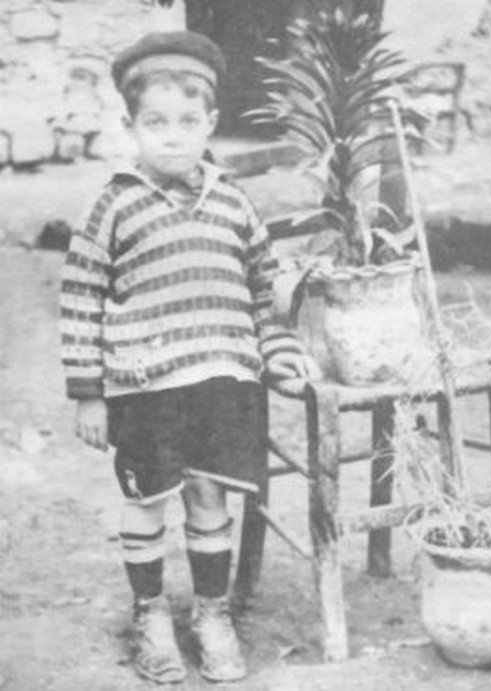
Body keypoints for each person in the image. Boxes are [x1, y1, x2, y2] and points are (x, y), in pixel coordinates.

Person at [60, 31, 313, 685]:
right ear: (130, 126)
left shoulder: (232, 203)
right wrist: (89, 393)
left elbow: (264, 291)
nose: (172, 137)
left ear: (210, 123)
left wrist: (278, 353)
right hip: (146, 389)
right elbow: (81, 295)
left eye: (186, 122)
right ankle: (150, 613)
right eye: (156, 123)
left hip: (222, 383)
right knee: (147, 499)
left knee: (208, 495)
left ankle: (211, 613)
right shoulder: (115, 205)